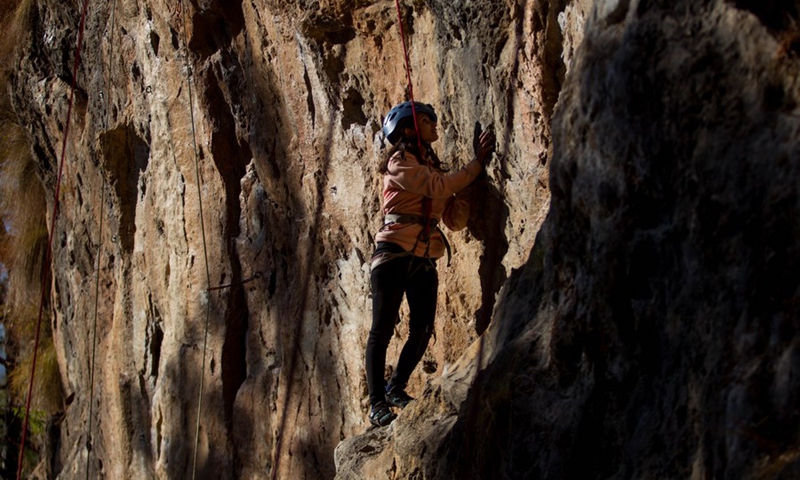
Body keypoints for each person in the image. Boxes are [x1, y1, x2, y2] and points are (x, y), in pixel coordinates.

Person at [365, 101, 495, 427]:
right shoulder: (399, 162)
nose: (435, 124)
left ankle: (396, 387)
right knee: (381, 329)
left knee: (422, 329)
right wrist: (474, 166)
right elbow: (438, 187)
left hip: (422, 255)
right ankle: (377, 402)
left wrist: (468, 187)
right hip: (393, 252)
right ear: (410, 129)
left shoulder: (432, 167)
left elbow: (452, 219)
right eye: (428, 120)